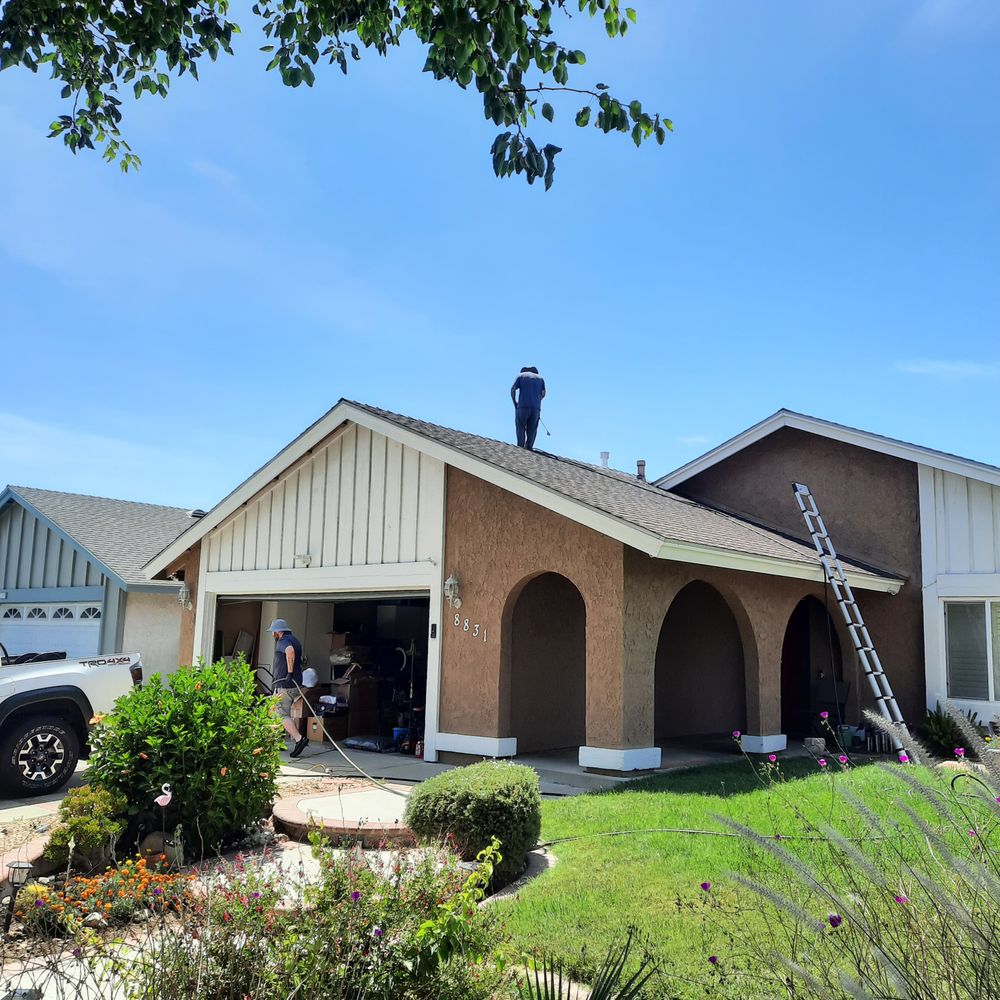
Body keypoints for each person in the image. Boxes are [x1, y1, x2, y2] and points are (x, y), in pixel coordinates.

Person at [267, 618, 309, 758]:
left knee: (281, 714)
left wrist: (289, 673)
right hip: (293, 684)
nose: (272, 634)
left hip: (285, 685)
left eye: (273, 632)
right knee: (275, 711)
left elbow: (289, 651)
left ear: (278, 632)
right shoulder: (295, 640)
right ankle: (277, 741)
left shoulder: (283, 641)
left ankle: (299, 739)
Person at [510, 366, 546, 450]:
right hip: (535, 409)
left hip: (522, 406)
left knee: (520, 427)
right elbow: (543, 393)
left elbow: (513, 389)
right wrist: (537, 400)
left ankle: (520, 448)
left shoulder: (520, 376)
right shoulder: (540, 379)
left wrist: (515, 403)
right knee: (532, 430)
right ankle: (529, 448)